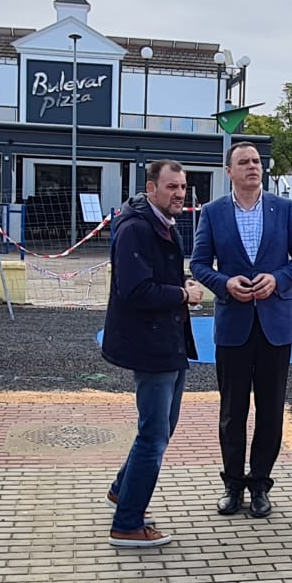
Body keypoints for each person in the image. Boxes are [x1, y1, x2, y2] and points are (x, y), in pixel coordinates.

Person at [190, 142, 292, 518]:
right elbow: (199, 264)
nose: (252, 167)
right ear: (229, 171)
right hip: (233, 325)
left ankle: (260, 485)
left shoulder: (284, 208)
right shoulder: (213, 212)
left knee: (271, 410)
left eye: (256, 161)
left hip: (275, 325)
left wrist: (278, 279)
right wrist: (224, 283)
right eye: (243, 162)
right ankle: (233, 485)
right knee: (232, 411)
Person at [101, 159, 206, 548]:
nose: (179, 193)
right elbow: (134, 290)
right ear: (151, 188)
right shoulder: (136, 228)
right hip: (151, 347)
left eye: (182, 187)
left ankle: (122, 490)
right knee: (154, 435)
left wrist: (181, 285)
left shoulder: (163, 224)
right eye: (171, 186)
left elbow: (156, 277)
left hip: (169, 343)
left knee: (161, 429)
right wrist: (182, 294)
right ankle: (128, 523)